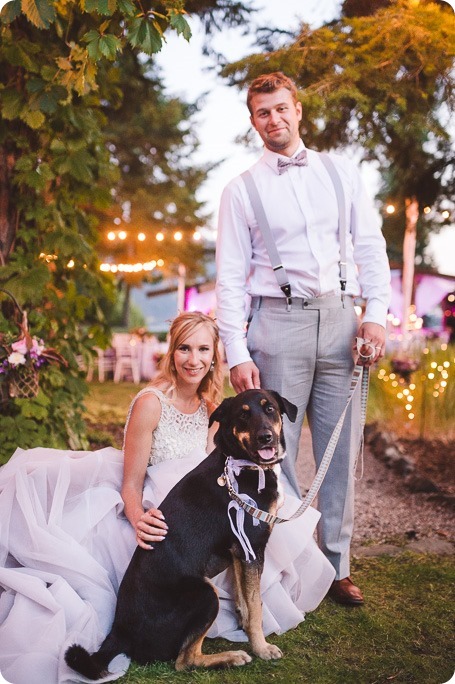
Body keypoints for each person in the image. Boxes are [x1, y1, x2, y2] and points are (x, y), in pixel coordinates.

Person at [0, 311, 335, 684]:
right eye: (185, 348)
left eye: (203, 349)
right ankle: (190, 643)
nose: (194, 359)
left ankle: (243, 612)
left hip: (202, 513)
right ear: (172, 353)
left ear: (214, 356)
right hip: (156, 510)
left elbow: (222, 473)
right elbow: (131, 481)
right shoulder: (151, 402)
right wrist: (136, 516)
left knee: (260, 533)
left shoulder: (216, 408)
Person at [216, 72, 391, 607]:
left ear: (298, 110)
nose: (274, 120)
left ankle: (336, 568)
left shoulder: (340, 173)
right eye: (262, 113)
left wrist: (376, 314)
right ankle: (290, 569)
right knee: (276, 453)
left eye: (281, 108)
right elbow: (229, 279)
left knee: (341, 452)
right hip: (276, 322)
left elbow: (370, 248)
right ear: (254, 122)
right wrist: (237, 352)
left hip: (342, 321)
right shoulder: (240, 189)